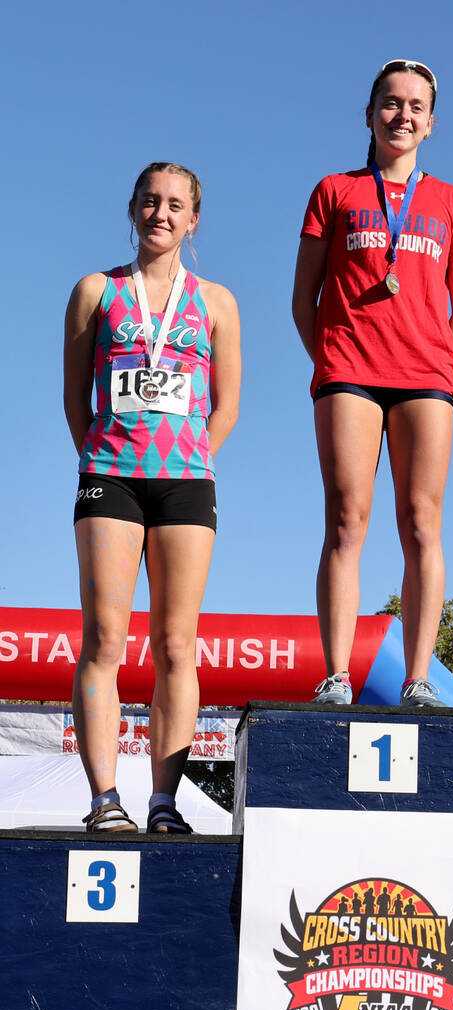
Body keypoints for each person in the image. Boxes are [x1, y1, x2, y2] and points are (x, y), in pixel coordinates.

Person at [292, 59, 453, 707]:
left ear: (431, 124)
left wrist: (440, 362)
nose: (402, 115)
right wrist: (331, 361)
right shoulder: (334, 190)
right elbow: (304, 297)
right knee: (347, 520)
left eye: (415, 106)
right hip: (348, 372)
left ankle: (418, 677)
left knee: (422, 524)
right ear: (370, 113)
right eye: (391, 103)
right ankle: (337, 676)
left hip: (426, 380)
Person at [64, 162, 241, 832]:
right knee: (105, 638)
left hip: (186, 483)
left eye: (175, 205)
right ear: (132, 209)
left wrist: (191, 454)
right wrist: (103, 453)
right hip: (110, 475)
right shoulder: (95, 292)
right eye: (150, 201)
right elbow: (73, 398)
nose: (161, 214)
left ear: (193, 219)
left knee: (176, 643)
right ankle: (105, 800)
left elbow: (226, 406)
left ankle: (163, 802)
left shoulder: (216, 302)